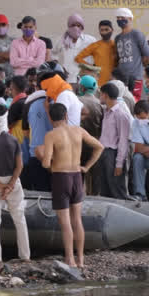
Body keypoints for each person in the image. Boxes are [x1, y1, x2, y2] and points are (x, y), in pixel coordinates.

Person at [37, 103, 104, 268]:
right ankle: (80, 259)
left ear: (51, 118)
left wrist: (41, 155)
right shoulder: (78, 131)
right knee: (77, 219)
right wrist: (86, 167)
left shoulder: (51, 135)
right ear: (66, 116)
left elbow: (46, 164)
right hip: (77, 176)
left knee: (65, 221)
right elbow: (99, 147)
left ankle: (70, 259)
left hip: (61, 177)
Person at [0, 103, 29, 263]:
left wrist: (0, 186)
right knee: (20, 219)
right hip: (13, 182)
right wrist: (10, 185)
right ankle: (25, 256)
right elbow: (20, 166)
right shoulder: (13, 140)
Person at [98, 83, 131, 199]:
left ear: (105, 95)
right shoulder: (106, 112)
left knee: (116, 189)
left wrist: (119, 163)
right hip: (104, 152)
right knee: (105, 188)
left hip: (113, 154)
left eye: (100, 94)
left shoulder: (120, 114)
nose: (99, 97)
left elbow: (123, 140)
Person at [20, 85, 52, 190]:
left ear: (37, 88)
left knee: (40, 191)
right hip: (55, 155)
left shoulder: (29, 105)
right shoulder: (58, 102)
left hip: (35, 154)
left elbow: (25, 132)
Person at [114, 8, 149, 96]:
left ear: (130, 19)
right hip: (122, 79)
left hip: (136, 78)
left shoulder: (137, 34)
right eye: (118, 18)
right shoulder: (117, 38)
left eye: (122, 17)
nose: (120, 20)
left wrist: (139, 67)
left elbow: (148, 56)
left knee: (135, 100)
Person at [52, 14, 96, 85]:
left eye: (78, 25)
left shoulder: (90, 40)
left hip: (85, 78)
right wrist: (59, 68)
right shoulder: (61, 41)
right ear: (69, 26)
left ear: (82, 27)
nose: (76, 28)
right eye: (73, 25)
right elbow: (53, 54)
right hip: (67, 78)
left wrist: (91, 69)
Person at [77, 75, 103, 194]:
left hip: (79, 142)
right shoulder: (100, 104)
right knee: (95, 176)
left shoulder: (77, 101)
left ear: (82, 87)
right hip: (96, 142)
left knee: (79, 174)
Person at [74, 20, 117, 87]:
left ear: (112, 30)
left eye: (106, 29)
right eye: (102, 30)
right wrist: (90, 67)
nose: (104, 32)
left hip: (114, 82)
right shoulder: (95, 46)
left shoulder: (116, 45)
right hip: (98, 83)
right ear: (99, 31)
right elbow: (78, 58)